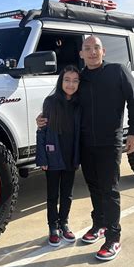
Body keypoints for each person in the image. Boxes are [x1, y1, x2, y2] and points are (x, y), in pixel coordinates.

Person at [37, 35, 134, 260]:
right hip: (84, 144)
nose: (92, 52)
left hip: (109, 142)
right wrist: (43, 118)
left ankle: (113, 238)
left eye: (96, 48)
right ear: (81, 54)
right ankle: (100, 224)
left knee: (110, 189)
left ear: (103, 51)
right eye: (87, 48)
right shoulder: (80, 79)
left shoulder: (118, 71)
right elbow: (64, 103)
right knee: (93, 186)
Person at [35, 65, 81, 247]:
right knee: (52, 195)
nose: (70, 84)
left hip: (71, 157)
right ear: (61, 81)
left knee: (67, 194)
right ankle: (53, 226)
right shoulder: (50, 102)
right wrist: (42, 158)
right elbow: (42, 131)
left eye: (75, 81)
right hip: (53, 157)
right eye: (67, 80)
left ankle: (64, 223)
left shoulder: (79, 104)